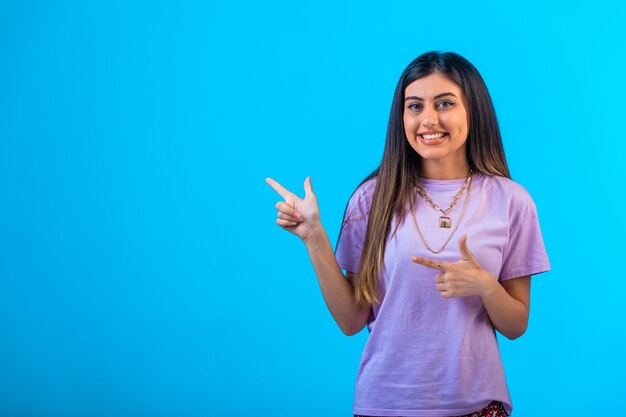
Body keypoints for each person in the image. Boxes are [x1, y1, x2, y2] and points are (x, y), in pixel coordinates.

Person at [266, 51, 550, 417]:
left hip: (477, 404)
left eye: (444, 103)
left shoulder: (511, 201)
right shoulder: (372, 198)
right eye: (414, 106)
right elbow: (351, 321)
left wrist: (485, 285)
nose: (428, 119)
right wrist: (313, 237)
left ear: (473, 111)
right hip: (385, 403)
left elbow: (516, 325)